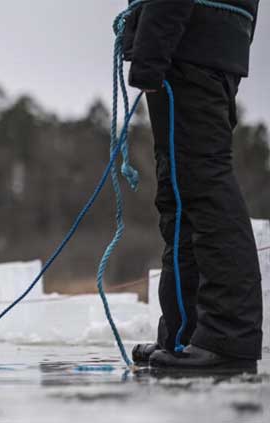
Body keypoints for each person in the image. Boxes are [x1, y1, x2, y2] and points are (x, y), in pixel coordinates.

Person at [123, 0, 262, 368]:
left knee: (204, 187)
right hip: (206, 38)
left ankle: (227, 334)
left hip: (189, 40)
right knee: (179, 192)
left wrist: (151, 49)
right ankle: (185, 331)